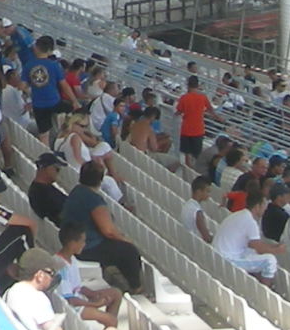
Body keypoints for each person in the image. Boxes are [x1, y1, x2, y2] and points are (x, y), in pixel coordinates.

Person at [57, 160, 153, 297]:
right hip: (87, 247)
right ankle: (136, 287)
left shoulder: (76, 192)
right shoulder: (93, 199)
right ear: (100, 180)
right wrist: (125, 240)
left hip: (75, 243)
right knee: (129, 251)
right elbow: (108, 231)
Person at [175, 72, 211, 159]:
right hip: (198, 129)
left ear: (188, 85)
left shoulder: (184, 98)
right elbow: (210, 109)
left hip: (186, 129)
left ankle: (188, 167)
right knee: (197, 154)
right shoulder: (203, 97)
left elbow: (179, 111)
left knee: (187, 154)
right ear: (197, 85)